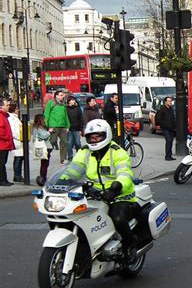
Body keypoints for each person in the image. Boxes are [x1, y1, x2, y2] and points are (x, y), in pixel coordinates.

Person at [60, 119, 139, 260]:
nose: (94, 140)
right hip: (94, 194)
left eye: (97, 136)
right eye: (91, 137)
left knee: (118, 218)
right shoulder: (84, 152)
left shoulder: (117, 152)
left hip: (119, 195)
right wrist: (63, 180)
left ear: (106, 135)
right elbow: (74, 169)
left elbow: (125, 174)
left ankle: (130, 245)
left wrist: (116, 187)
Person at [44, 90, 70, 164]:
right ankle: (45, 155)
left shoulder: (63, 104)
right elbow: (46, 114)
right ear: (56, 96)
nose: (63, 96)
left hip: (63, 126)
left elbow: (65, 116)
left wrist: (67, 125)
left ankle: (63, 159)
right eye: (61, 95)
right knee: (52, 141)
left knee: (64, 142)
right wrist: (48, 126)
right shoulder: (51, 103)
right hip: (53, 126)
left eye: (63, 95)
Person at [32, 114, 53, 186]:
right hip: (45, 147)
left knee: (44, 164)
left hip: (43, 147)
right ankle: (43, 178)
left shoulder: (36, 127)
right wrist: (49, 131)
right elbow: (44, 136)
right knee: (45, 164)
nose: (45, 120)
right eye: (44, 119)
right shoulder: (39, 128)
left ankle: (43, 177)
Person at [7, 102, 24, 182]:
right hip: (17, 140)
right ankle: (17, 175)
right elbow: (14, 130)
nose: (18, 110)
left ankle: (18, 175)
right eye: (17, 108)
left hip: (19, 140)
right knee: (18, 158)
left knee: (20, 158)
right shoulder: (12, 118)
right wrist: (19, 138)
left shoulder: (15, 117)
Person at [156, 96, 176, 161]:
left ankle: (170, 155)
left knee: (171, 142)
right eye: (169, 101)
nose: (170, 102)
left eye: (171, 101)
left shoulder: (171, 109)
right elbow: (158, 119)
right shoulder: (162, 109)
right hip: (165, 128)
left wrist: (174, 126)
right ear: (165, 102)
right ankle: (167, 156)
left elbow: (173, 118)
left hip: (171, 128)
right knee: (168, 141)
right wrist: (164, 125)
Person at [0, 99, 15, 186]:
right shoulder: (1, 116)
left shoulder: (4, 116)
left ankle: (4, 179)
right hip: (2, 144)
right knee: (2, 163)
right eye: (6, 105)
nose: (8, 106)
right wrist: (7, 137)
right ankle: (2, 180)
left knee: (2, 162)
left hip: (4, 144)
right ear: (1, 107)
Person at [66, 96, 83, 161]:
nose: (74, 101)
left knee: (78, 143)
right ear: (69, 101)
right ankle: (70, 156)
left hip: (77, 128)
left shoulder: (78, 109)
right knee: (69, 143)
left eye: (74, 100)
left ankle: (79, 155)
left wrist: (81, 129)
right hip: (69, 128)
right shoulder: (66, 109)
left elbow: (81, 119)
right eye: (72, 100)